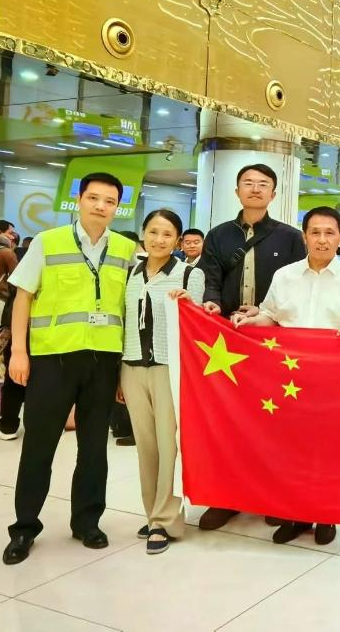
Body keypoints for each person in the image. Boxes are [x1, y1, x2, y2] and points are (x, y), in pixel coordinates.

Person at [2, 173, 135, 565]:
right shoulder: (48, 242)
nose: (100, 206)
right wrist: (19, 352)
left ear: (118, 207)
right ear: (79, 200)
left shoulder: (127, 249)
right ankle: (24, 527)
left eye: (109, 201)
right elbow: (23, 298)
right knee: (39, 446)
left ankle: (87, 522)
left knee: (94, 448)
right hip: (52, 360)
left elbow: (129, 307)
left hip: (103, 361)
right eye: (93, 198)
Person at [234, 206, 340, 546]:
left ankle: (327, 514)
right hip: (291, 379)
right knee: (291, 448)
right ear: (305, 237)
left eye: (329, 233)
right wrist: (248, 323)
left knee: (330, 449)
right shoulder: (285, 276)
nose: (322, 240)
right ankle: (296, 513)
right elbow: (271, 316)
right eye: (315, 232)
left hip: (335, 378)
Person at [196, 163, 306, 532]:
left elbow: (296, 286)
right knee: (228, 418)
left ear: (274, 194)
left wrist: (267, 312)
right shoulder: (218, 235)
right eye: (248, 183)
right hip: (226, 337)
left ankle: (272, 495)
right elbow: (210, 278)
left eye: (263, 184)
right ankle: (226, 497)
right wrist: (212, 302)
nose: (255, 189)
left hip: (272, 339)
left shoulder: (290, 238)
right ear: (237, 191)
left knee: (274, 420)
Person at [121, 209, 204, 555]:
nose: (159, 239)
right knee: (146, 447)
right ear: (143, 233)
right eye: (153, 232)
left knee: (170, 446)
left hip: (170, 369)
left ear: (178, 241)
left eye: (167, 234)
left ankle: (166, 520)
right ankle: (152, 513)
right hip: (131, 366)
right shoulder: (129, 273)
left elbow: (198, 323)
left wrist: (192, 306)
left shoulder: (189, 275)